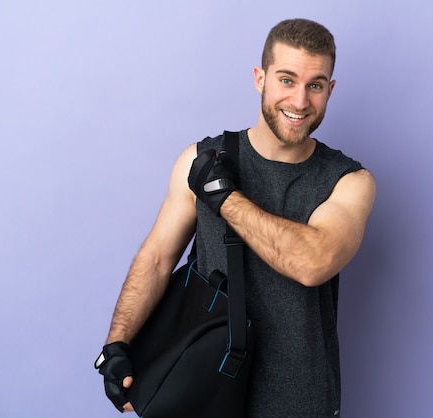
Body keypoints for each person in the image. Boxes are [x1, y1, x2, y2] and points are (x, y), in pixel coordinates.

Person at [96, 18, 376, 417]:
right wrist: (117, 344)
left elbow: (312, 263)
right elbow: (157, 258)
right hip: (202, 392)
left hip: (300, 403)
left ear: (330, 90)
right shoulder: (201, 160)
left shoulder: (349, 180)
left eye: (315, 85)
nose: (299, 101)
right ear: (260, 78)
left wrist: (224, 198)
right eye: (286, 80)